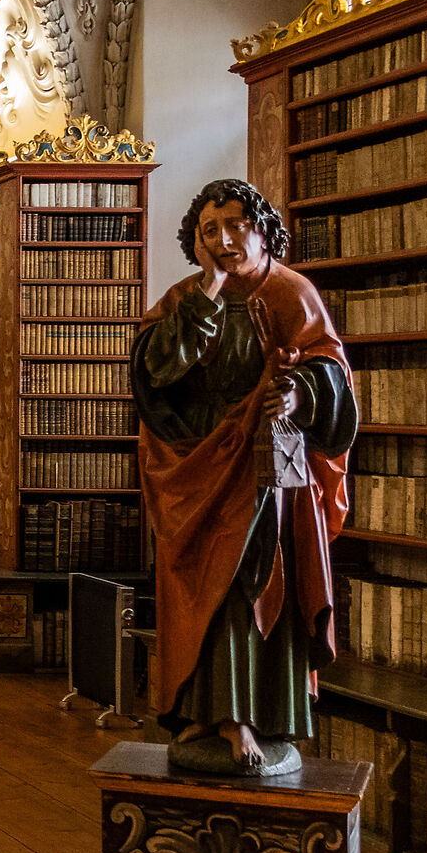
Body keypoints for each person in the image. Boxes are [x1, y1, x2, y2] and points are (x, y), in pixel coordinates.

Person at [131, 179, 356, 776]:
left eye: (236, 225)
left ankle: (249, 718)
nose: (224, 240)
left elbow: (331, 375)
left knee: (249, 581)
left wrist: (295, 396)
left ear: (261, 228)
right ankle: (205, 709)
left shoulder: (291, 292)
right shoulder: (185, 296)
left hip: (264, 464)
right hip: (198, 463)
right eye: (210, 231)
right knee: (196, 584)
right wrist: (209, 289)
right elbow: (155, 372)